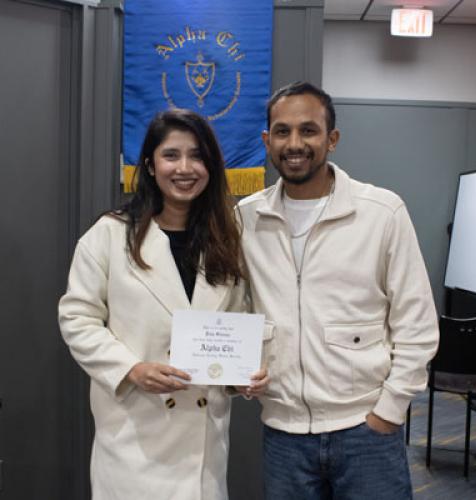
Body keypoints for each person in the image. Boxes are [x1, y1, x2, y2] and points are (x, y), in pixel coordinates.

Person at [237, 82, 439, 499]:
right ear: (266, 140)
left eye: (308, 130)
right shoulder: (246, 217)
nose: (294, 143)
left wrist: (389, 411)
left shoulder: (381, 212)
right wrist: (240, 368)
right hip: (284, 433)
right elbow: (237, 308)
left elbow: (416, 323)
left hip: (365, 429)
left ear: (332, 139)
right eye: (282, 131)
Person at [59, 109, 268, 500]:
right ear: (151, 166)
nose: (185, 168)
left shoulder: (226, 241)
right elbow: (77, 318)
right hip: (135, 436)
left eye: (198, 156)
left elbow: (236, 322)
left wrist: (241, 375)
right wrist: (131, 369)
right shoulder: (108, 234)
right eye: (171, 155)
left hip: (204, 446)